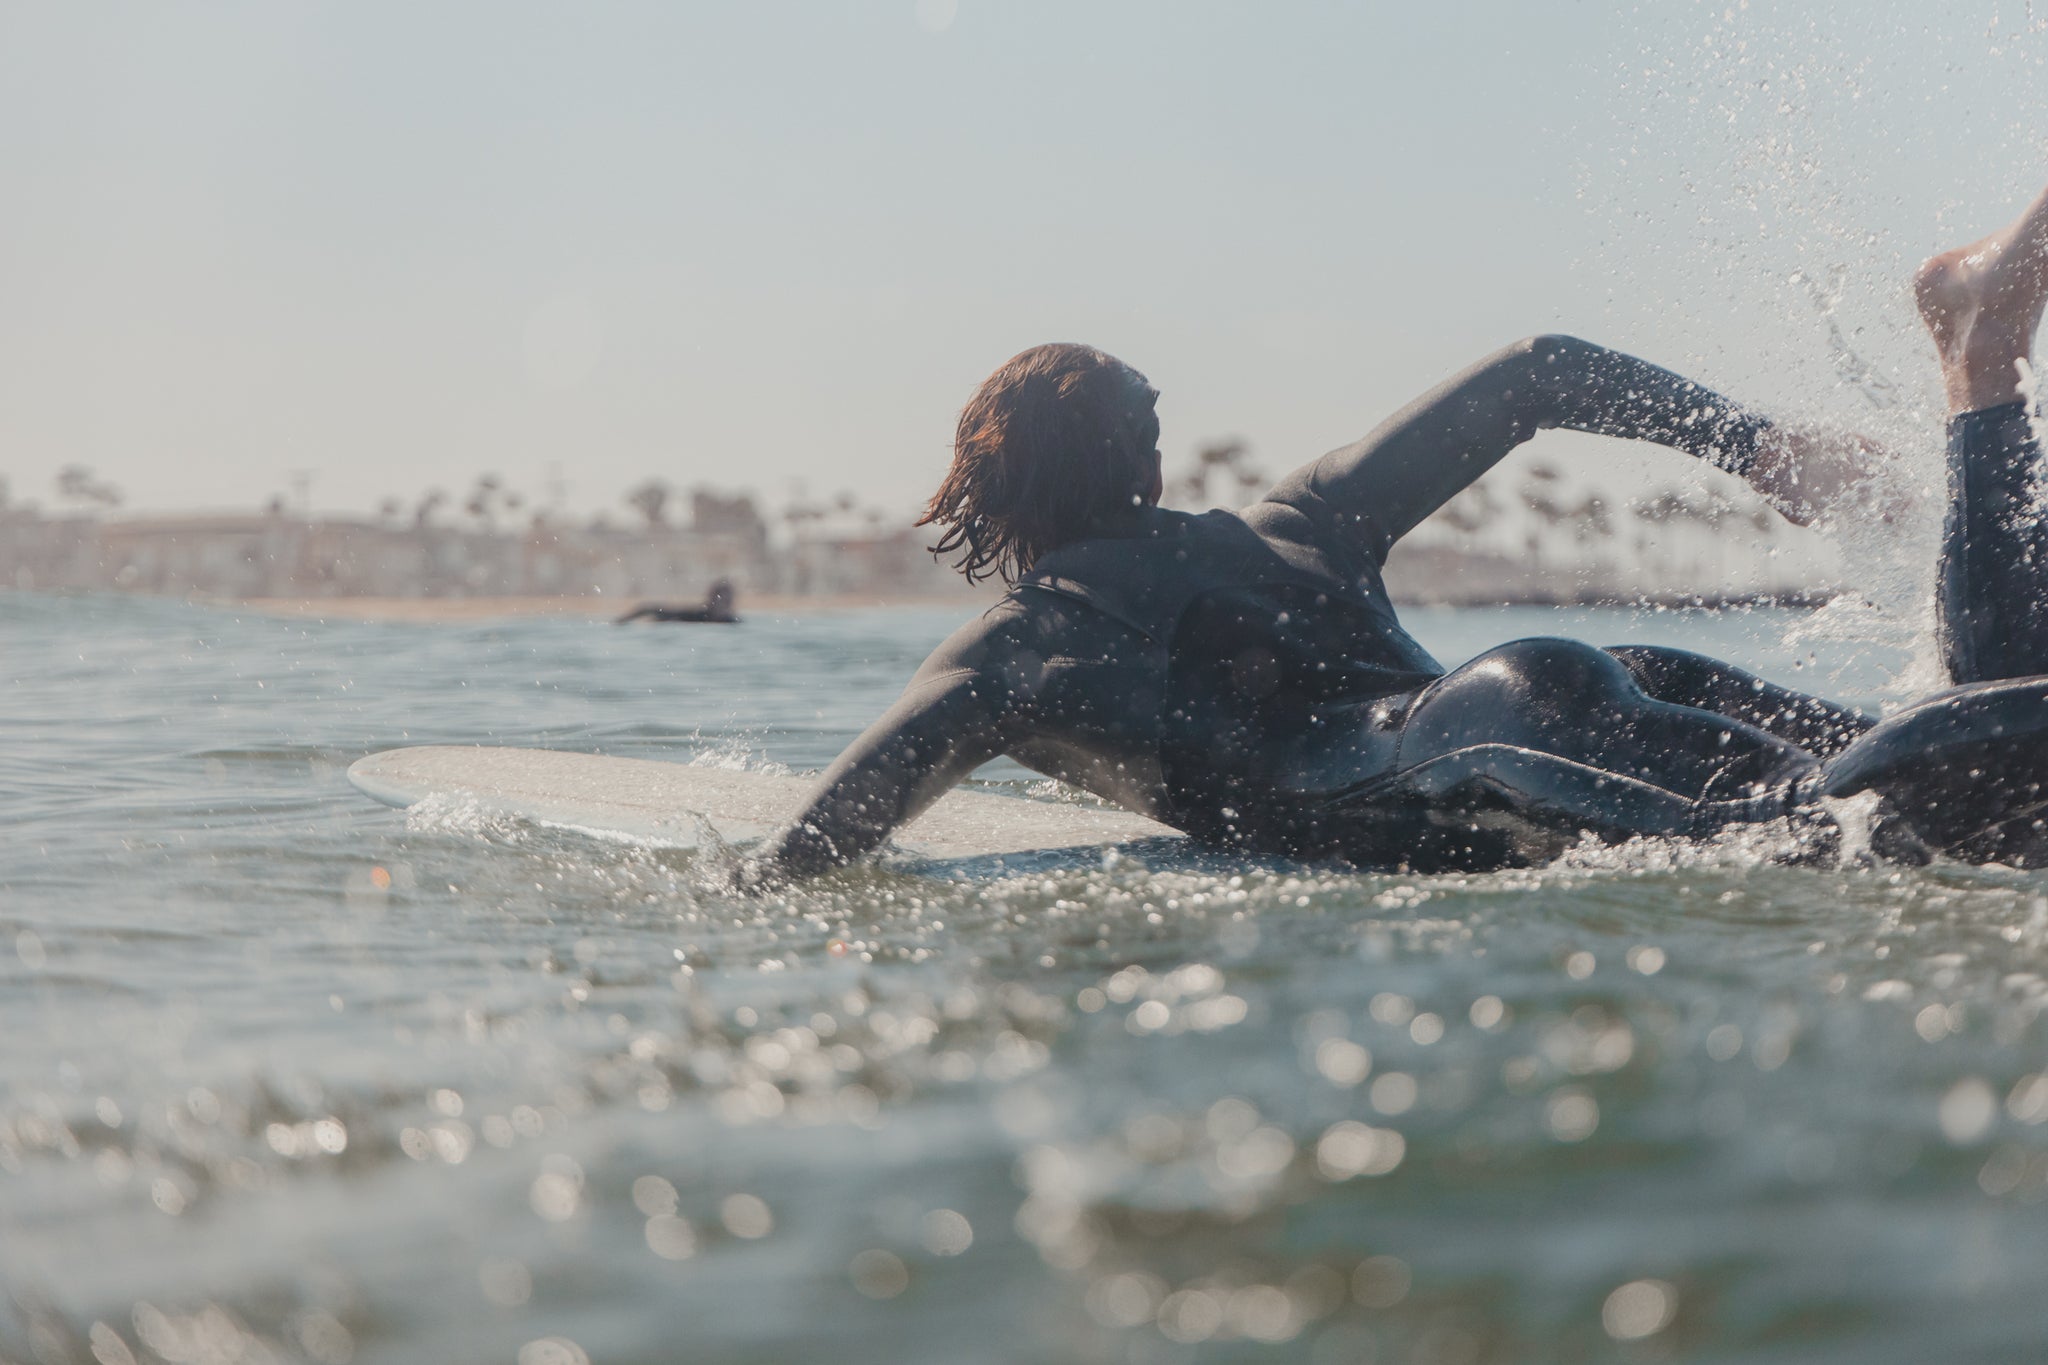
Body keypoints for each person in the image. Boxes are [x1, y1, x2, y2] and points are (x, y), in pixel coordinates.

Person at [746, 178, 2048, 883]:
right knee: (1971, 749)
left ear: (994, 490)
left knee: (1897, 821)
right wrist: (1753, 445)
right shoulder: (1298, 520)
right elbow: (1539, 371)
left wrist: (735, 896)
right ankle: (1981, 366)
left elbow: (822, 837)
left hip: (1488, 738)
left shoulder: (1018, 649)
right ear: (1143, 456)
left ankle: (1980, 349)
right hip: (1574, 685)